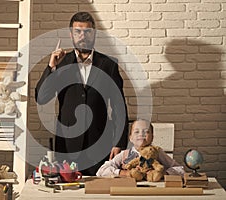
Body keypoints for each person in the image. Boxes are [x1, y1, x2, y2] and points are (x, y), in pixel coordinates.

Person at [35, 12, 129, 175]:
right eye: (78, 31)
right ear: (71, 34)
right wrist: (51, 67)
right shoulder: (61, 62)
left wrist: (119, 143)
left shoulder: (108, 65)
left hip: (101, 143)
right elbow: (42, 98)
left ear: (94, 34)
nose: (82, 36)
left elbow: (119, 107)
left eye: (87, 32)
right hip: (67, 144)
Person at [96, 119, 185, 177]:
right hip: (128, 192)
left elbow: (180, 169)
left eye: (146, 132)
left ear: (152, 137)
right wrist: (125, 173)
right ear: (130, 138)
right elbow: (101, 171)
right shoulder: (124, 154)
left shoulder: (157, 153)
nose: (141, 134)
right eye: (137, 132)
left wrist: (162, 173)